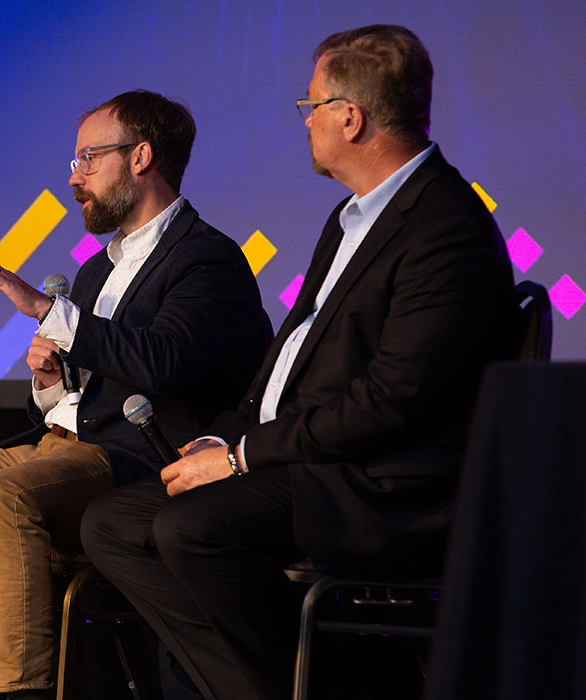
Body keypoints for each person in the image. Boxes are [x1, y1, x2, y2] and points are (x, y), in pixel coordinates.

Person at [80, 25, 518, 700]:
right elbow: (290, 361)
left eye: (310, 106)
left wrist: (242, 457)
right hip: (313, 460)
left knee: (194, 529)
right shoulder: (350, 218)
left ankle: (327, 687)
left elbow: (394, 401)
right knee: (111, 522)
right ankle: (277, 689)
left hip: (382, 483)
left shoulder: (443, 227)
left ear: (351, 116)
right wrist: (222, 437)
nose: (305, 121)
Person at [0, 90, 268, 699]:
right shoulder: (97, 269)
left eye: (89, 158)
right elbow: (84, 388)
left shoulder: (206, 261)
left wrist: (45, 311)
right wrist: (49, 381)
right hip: (54, 452)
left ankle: (20, 691)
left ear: (141, 157)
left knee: (2, 499)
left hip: (131, 464)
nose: (75, 177)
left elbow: (162, 362)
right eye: (74, 160)